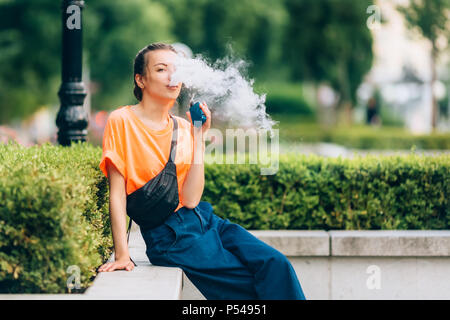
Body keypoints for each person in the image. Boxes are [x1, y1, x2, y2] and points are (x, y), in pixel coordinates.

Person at [97, 42, 306, 300]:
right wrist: (122, 254)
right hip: (171, 237)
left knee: (276, 265)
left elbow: (191, 199)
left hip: (205, 220)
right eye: (161, 69)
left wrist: (198, 136)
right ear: (141, 80)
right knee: (248, 288)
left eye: (176, 70)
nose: (172, 77)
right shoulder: (122, 121)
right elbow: (117, 193)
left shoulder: (184, 128)